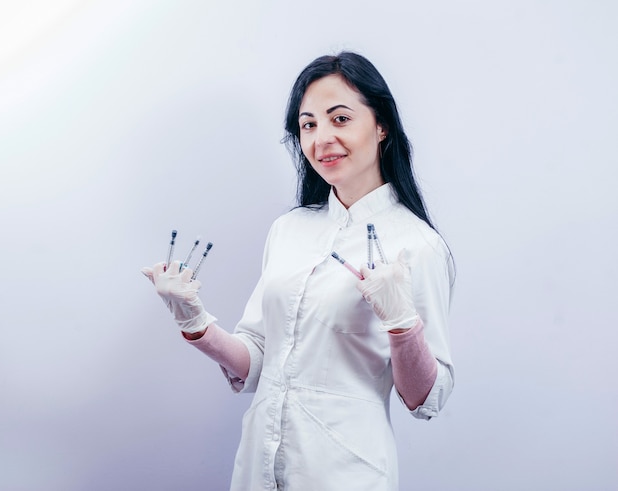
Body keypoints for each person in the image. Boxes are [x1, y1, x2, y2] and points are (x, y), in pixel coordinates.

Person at [142, 51, 455, 491]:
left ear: (381, 125)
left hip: (345, 473)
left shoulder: (417, 245)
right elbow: (258, 359)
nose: (321, 138)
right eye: (308, 125)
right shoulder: (288, 230)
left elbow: (428, 397)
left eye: (340, 119)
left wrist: (403, 325)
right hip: (259, 466)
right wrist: (197, 323)